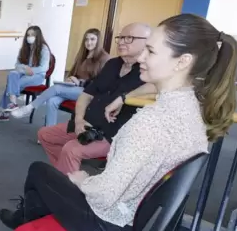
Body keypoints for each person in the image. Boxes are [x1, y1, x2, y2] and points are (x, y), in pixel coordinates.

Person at [0, 13, 237, 231]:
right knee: (48, 184)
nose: (142, 56)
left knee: (38, 173)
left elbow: (106, 194)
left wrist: (84, 180)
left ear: (182, 62)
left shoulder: (151, 122)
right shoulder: (192, 112)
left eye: (151, 50)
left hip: (110, 225)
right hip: (141, 223)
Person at [36, 22, 151, 174]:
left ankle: (65, 184)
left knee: (71, 149)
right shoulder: (112, 64)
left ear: (147, 42)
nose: (122, 41)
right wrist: (79, 120)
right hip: (87, 124)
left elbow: (158, 87)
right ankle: (67, 175)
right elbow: (86, 94)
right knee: (44, 134)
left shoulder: (149, 69)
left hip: (112, 134)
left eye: (129, 38)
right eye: (121, 37)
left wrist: (123, 98)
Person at [10, 28, 111, 125]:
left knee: (56, 89)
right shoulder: (83, 55)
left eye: (92, 39)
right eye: (86, 39)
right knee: (52, 101)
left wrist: (80, 82)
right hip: (76, 88)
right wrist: (70, 78)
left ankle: (29, 108)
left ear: (98, 41)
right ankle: (48, 133)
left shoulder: (104, 58)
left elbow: (101, 83)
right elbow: (74, 73)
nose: (89, 42)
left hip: (89, 92)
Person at [0, 26, 51, 122]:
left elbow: (44, 68)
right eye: (28, 35)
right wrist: (25, 68)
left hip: (37, 75)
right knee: (12, 74)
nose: (30, 37)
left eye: (32, 35)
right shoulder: (24, 49)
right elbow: (17, 65)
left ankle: (5, 113)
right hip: (24, 72)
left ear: (38, 36)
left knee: (13, 84)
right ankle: (13, 103)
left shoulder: (44, 48)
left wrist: (32, 71)